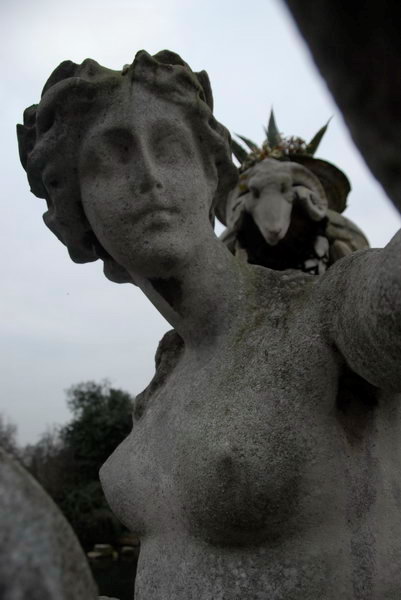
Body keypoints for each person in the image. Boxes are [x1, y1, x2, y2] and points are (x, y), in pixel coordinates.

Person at [17, 50, 401, 599]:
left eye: (170, 148)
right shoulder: (159, 391)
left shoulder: (329, 314)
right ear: (77, 208)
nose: (149, 178)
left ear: (209, 176)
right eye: (111, 158)